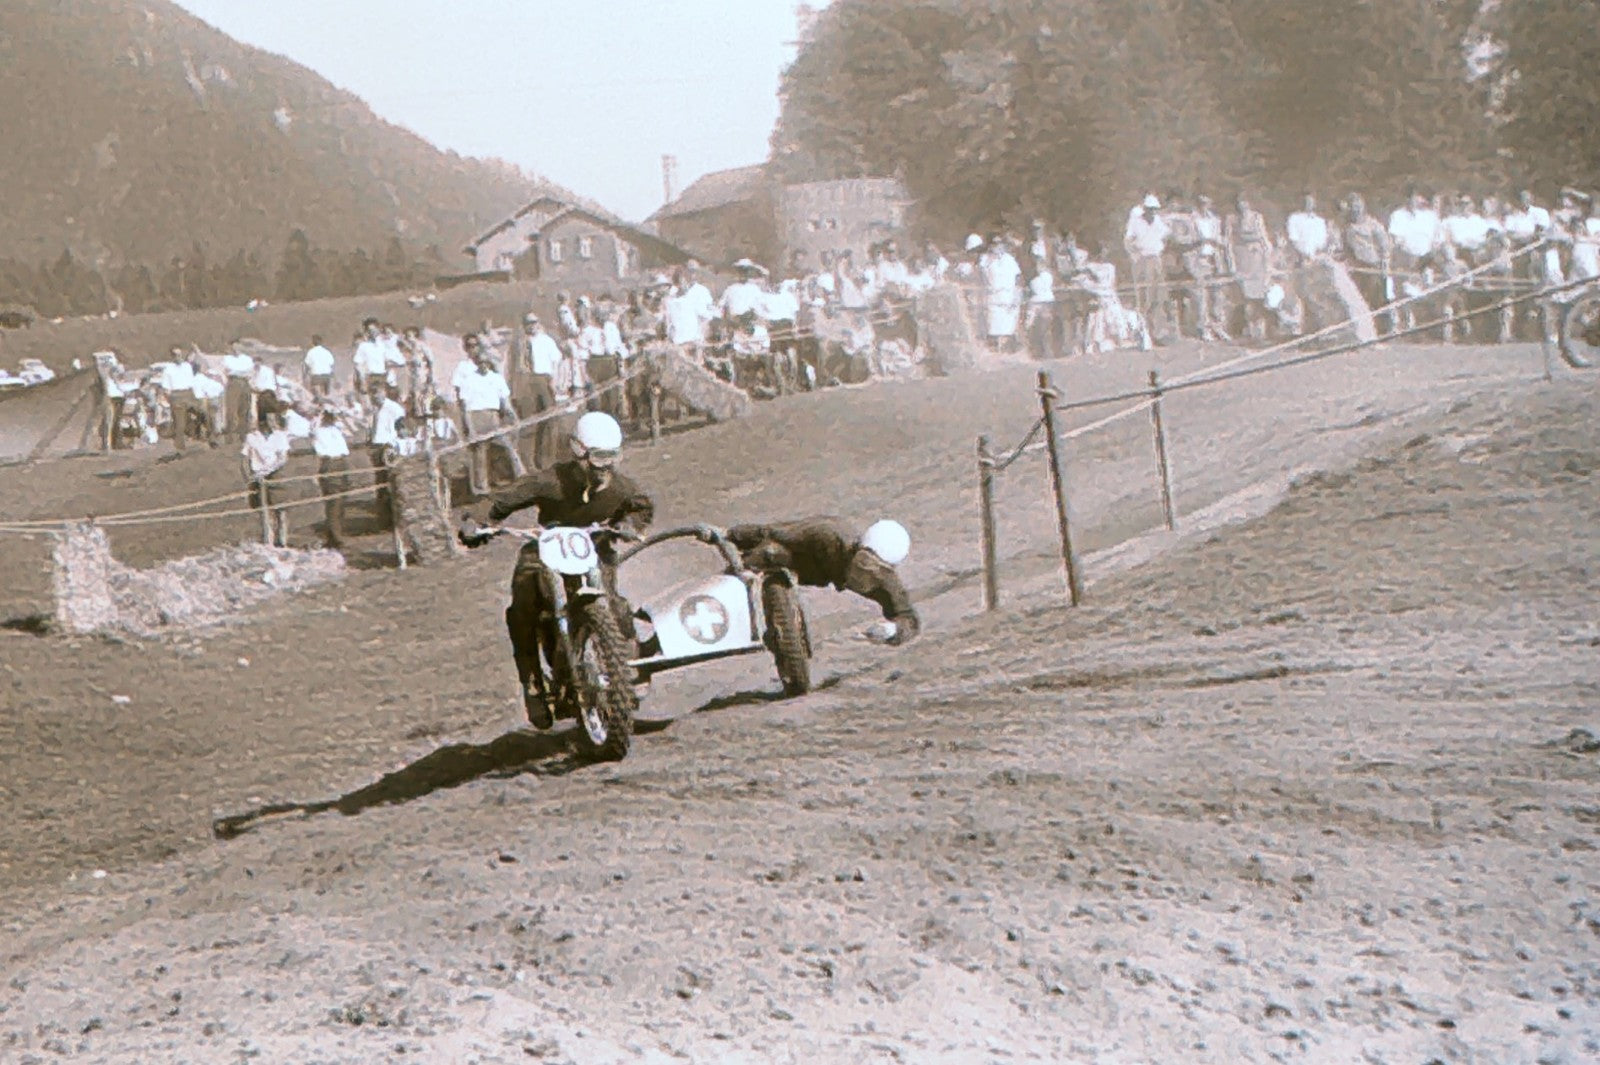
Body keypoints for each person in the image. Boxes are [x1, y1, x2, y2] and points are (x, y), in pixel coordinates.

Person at [471, 411, 655, 728]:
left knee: (617, 605)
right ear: (578, 451)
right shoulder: (552, 481)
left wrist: (626, 524)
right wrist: (480, 522)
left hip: (595, 549)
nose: (604, 468)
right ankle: (532, 684)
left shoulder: (621, 488)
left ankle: (630, 669)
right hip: (548, 549)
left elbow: (641, 507)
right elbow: (504, 499)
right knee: (523, 601)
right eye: (597, 458)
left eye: (612, 458)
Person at [723, 518, 919, 646]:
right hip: (799, 557)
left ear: (888, 572)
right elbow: (773, 532)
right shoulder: (827, 535)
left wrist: (892, 630)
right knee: (766, 553)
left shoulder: (886, 585)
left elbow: (909, 619)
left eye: (875, 571)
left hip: (817, 574)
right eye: (862, 562)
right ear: (857, 548)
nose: (864, 572)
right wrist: (733, 535)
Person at [456, 339, 526, 497]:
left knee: (507, 447)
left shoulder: (496, 379)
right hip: (476, 417)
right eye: (479, 362)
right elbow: (465, 408)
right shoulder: (468, 380)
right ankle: (481, 489)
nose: (483, 365)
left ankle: (520, 477)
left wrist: (514, 418)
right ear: (475, 363)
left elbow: (505, 403)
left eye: (485, 362)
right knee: (480, 453)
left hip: (493, 416)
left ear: (489, 363)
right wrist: (470, 429)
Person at [515, 313, 563, 467]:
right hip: (527, 381)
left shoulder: (547, 341)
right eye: (528, 323)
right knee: (530, 422)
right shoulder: (521, 343)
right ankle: (529, 462)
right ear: (524, 326)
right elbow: (514, 368)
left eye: (534, 322)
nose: (532, 325)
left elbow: (556, 361)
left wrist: (554, 381)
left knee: (549, 420)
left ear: (539, 323)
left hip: (544, 379)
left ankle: (547, 460)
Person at [241, 409, 292, 547]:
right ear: (262, 422)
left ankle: (282, 541)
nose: (272, 423)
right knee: (264, 512)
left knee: (281, 511)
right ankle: (268, 541)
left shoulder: (280, 436)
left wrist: (269, 470)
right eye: (269, 420)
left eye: (274, 420)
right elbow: (244, 459)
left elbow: (283, 457)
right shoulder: (251, 437)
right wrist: (249, 478)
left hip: (276, 475)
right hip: (258, 478)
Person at [1124, 195, 1171, 342]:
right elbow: (1128, 240)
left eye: (1154, 209)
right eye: (1150, 209)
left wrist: (1161, 250)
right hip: (1143, 260)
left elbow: (1166, 235)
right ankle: (1144, 333)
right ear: (1145, 209)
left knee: (1159, 295)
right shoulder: (1136, 222)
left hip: (1156, 258)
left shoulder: (1158, 221)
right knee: (1144, 297)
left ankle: (1158, 331)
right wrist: (1134, 255)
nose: (1152, 212)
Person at [311, 406, 351, 548]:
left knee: (341, 501)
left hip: (341, 462)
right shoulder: (318, 430)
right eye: (328, 416)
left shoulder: (336, 429)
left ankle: (333, 534)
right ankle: (336, 536)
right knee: (333, 501)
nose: (331, 418)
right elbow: (313, 427)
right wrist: (319, 414)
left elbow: (348, 428)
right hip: (329, 463)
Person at [368, 381, 406, 520]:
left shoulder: (394, 408)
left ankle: (394, 513)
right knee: (380, 480)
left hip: (389, 446)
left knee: (391, 478)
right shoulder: (374, 409)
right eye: (372, 393)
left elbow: (402, 429)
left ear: (384, 392)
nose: (374, 396)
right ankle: (383, 514)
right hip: (377, 446)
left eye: (377, 392)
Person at [158, 347, 205, 453]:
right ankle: (180, 446)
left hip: (189, 393)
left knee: (203, 413)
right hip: (176, 394)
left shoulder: (187, 366)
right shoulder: (168, 369)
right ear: (172, 356)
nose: (178, 357)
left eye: (180, 354)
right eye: (175, 355)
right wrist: (170, 399)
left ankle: (205, 436)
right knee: (180, 422)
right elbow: (166, 387)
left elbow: (193, 378)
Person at [92, 350, 127, 452]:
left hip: (118, 395)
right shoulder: (103, 373)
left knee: (116, 420)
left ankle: (115, 442)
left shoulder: (113, 370)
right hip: (110, 396)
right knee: (109, 421)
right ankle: (107, 444)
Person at [220, 341, 255, 440]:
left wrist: (236, 371)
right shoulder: (227, 358)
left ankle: (243, 434)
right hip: (233, 382)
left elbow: (249, 371)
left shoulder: (247, 359)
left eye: (238, 347)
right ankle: (229, 435)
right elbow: (228, 370)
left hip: (245, 382)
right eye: (234, 348)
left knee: (245, 409)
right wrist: (239, 371)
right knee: (231, 409)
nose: (236, 350)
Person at [303, 334, 336, 399]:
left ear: (312, 342)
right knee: (326, 396)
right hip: (326, 376)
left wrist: (304, 376)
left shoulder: (311, 352)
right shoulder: (327, 352)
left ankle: (320, 405)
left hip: (316, 376)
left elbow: (306, 365)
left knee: (317, 396)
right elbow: (332, 364)